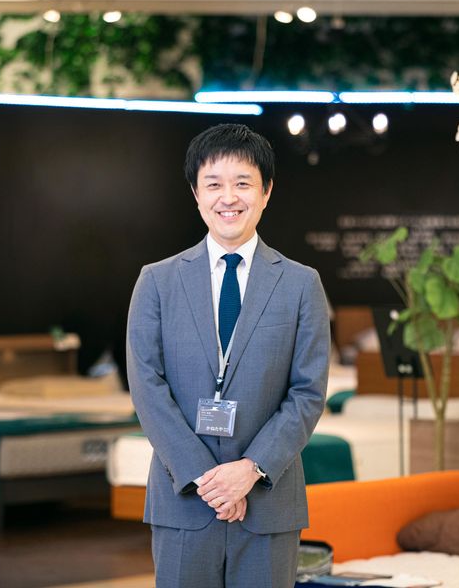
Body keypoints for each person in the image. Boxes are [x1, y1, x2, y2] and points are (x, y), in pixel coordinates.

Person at [126, 123, 330, 587]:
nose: (229, 198)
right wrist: (208, 479)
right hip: (183, 500)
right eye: (214, 184)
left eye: (243, 183)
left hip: (268, 503)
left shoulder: (301, 284)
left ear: (266, 191)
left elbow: (307, 393)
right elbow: (147, 388)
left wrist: (250, 470)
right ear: (196, 194)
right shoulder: (157, 282)